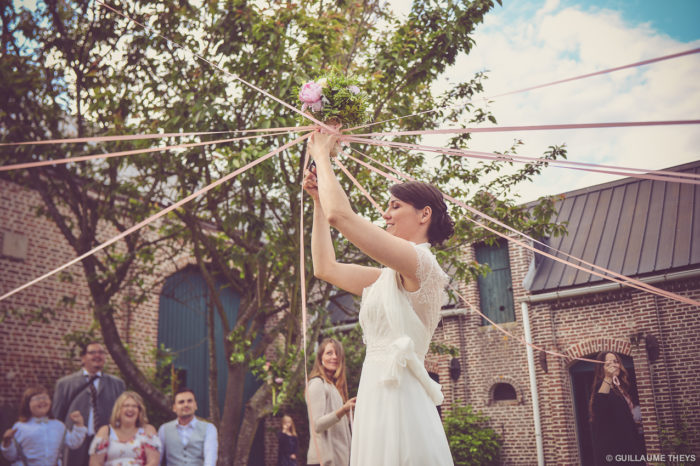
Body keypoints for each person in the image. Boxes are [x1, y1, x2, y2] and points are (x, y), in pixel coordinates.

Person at [303, 129, 455, 465]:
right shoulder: (387, 278)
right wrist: (316, 201)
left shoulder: (421, 264)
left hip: (401, 396)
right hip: (375, 393)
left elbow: (340, 216)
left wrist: (322, 155)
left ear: (424, 214)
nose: (385, 214)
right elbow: (325, 267)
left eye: (395, 206)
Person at [53, 341, 126, 466]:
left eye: (101, 352)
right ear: (83, 358)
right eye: (92, 352)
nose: (97, 356)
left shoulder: (117, 384)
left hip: (105, 441)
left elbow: (122, 415)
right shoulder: (65, 384)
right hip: (75, 443)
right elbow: (57, 417)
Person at [1, 385, 87, 465]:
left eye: (45, 398)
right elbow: (11, 456)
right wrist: (7, 442)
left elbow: (73, 443)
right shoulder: (20, 427)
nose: (42, 401)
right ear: (27, 404)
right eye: (37, 398)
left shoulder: (58, 426)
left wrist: (79, 424)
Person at [589, 352, 645, 465]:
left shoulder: (619, 388)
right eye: (609, 363)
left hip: (629, 446)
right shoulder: (602, 385)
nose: (614, 365)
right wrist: (608, 377)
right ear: (602, 368)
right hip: (614, 451)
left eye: (616, 362)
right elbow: (600, 407)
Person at [305, 338, 354, 466]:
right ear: (320, 358)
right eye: (329, 353)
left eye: (337, 353)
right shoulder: (317, 383)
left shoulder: (332, 387)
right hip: (324, 462)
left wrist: (347, 414)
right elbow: (318, 425)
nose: (334, 357)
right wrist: (343, 410)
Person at [88, 391, 161, 466]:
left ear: (139, 411)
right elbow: (95, 463)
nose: (130, 409)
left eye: (134, 406)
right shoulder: (106, 431)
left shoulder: (148, 430)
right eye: (126, 406)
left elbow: (153, 462)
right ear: (118, 410)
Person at [158, 387, 218, 466]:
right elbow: (157, 459)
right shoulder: (164, 430)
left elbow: (210, 460)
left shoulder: (209, 428)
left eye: (189, 401)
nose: (186, 405)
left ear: (195, 405)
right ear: (174, 408)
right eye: (181, 402)